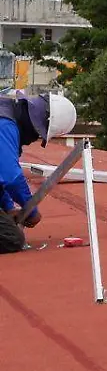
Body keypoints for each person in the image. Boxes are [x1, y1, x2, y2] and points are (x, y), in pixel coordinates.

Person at [0, 91, 78, 253]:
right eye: (38, 134)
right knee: (11, 238)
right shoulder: (5, 125)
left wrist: (8, 206)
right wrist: (31, 210)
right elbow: (11, 178)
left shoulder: (6, 113)